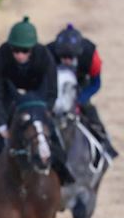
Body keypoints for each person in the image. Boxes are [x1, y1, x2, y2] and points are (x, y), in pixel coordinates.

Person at [0, 16, 74, 184]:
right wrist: (1, 123)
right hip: (10, 98)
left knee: (53, 131)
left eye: (24, 51)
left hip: (37, 99)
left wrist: (45, 111)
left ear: (32, 49)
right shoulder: (0, 57)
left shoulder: (44, 56)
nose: (19, 55)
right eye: (15, 50)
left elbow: (52, 90)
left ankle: (63, 169)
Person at [47, 23, 118, 158]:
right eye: (63, 58)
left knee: (88, 109)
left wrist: (80, 100)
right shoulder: (47, 54)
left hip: (80, 83)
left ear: (78, 54)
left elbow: (96, 84)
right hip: (55, 83)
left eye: (70, 58)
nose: (67, 61)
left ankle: (104, 141)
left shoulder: (91, 56)